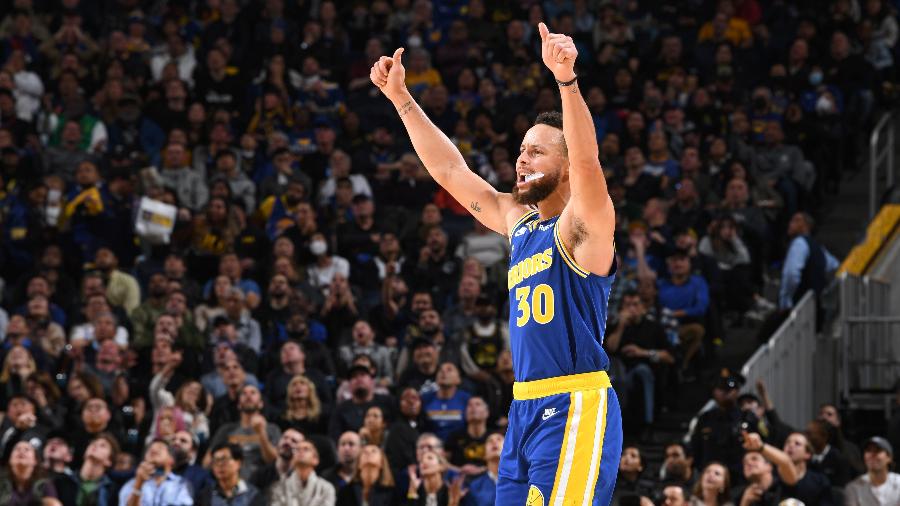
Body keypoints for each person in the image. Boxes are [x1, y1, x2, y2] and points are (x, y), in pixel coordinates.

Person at [370, 21, 621, 504]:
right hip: (524, 406)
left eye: (536, 151)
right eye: (520, 150)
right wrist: (401, 99)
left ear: (565, 165)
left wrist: (567, 82)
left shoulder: (585, 225)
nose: (520, 160)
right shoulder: (520, 225)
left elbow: (589, 164)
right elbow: (450, 170)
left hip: (575, 403)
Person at [205, 384, 281, 481]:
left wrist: (261, 433)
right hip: (230, 479)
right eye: (244, 394)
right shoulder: (226, 430)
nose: (248, 395)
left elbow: (274, 461)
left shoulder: (272, 429)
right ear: (239, 405)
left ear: (261, 404)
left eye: (253, 393)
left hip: (261, 482)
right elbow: (207, 462)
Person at [119, 439, 193, 506]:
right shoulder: (132, 484)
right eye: (150, 449)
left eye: (160, 448)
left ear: (171, 459)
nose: (154, 449)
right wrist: (139, 484)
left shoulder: (181, 484)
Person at [53, 433, 120, 506]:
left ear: (109, 461)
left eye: (102, 445)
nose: (95, 446)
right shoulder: (61, 481)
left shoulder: (113, 491)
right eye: (93, 443)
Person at [270, 440, 336, 506]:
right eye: (297, 449)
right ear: (292, 459)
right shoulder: (279, 486)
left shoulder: (327, 488)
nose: (300, 451)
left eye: (306, 449)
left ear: (315, 459)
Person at [198, 443, 265, 506]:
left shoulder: (253, 495)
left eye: (224, 459)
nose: (219, 464)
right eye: (215, 460)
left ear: (238, 463)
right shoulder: (206, 494)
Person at [780, 432, 833, 505]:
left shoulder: (820, 482)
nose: (791, 445)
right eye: (787, 442)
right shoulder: (773, 476)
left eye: (797, 444)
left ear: (807, 454)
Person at [844, 436, 900, 506]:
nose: (872, 454)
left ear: (889, 457)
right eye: (868, 450)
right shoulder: (853, 488)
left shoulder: (898, 483)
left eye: (877, 450)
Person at [460, 431, 503, 506]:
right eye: (490, 441)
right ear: (484, 455)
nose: (494, 442)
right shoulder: (474, 486)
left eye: (499, 439)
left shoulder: (524, 480)